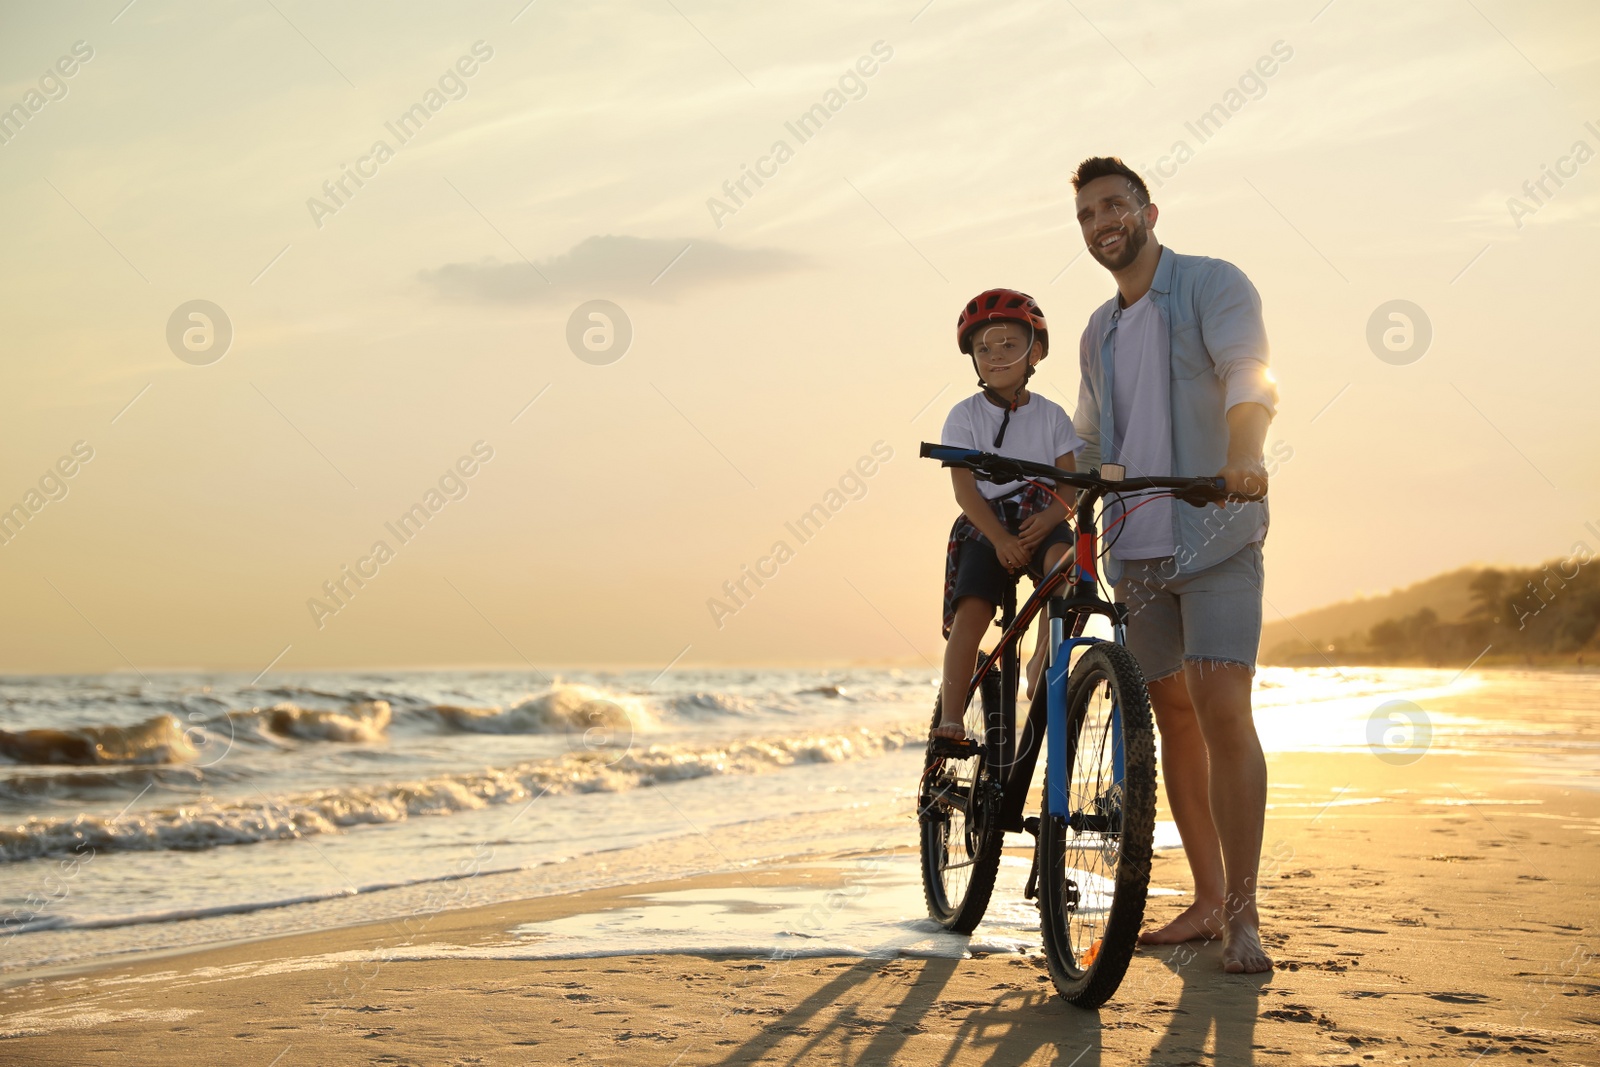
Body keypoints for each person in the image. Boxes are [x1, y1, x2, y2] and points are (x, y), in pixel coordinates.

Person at [1070, 156, 1279, 974]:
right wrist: (1055, 501)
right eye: (1087, 215)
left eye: (1113, 206)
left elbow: (1247, 374)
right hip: (1138, 548)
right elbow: (1091, 440)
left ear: (1148, 211)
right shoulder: (1099, 329)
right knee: (1177, 719)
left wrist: (1244, 455)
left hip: (1219, 533)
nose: (1101, 223)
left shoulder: (1212, 284)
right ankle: (1204, 897)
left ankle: (1244, 916)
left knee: (1223, 703)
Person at [932, 289, 1084, 742]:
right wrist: (999, 538)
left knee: (1067, 565)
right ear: (973, 358)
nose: (995, 356)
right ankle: (952, 718)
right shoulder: (964, 416)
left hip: (1041, 514)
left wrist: (1055, 514)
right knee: (972, 611)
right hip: (984, 524)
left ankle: (1041, 657)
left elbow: (1068, 484)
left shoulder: (1053, 416)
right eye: (984, 348)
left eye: (1009, 346)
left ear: (1034, 353)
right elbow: (964, 492)